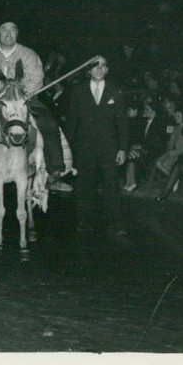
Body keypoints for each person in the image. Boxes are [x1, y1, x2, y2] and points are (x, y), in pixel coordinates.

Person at [0, 21, 71, 191]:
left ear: (17, 33)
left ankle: (53, 173)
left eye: (12, 30)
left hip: (24, 100)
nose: (8, 33)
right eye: (4, 30)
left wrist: (19, 96)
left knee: (49, 123)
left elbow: (37, 78)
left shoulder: (29, 54)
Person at [65, 56, 129, 234]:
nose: (99, 70)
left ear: (107, 70)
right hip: (84, 148)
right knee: (84, 186)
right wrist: (68, 151)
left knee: (111, 186)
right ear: (88, 70)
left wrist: (123, 148)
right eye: (95, 66)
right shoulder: (78, 91)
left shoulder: (116, 91)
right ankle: (84, 221)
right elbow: (72, 122)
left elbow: (122, 123)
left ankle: (115, 223)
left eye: (103, 66)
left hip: (109, 149)